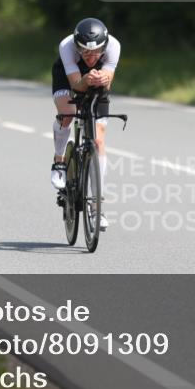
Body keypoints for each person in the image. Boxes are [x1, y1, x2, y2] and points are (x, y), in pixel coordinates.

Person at [50, 18, 121, 230]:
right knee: (68, 114)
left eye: (97, 52)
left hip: (95, 83)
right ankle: (59, 159)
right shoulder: (67, 46)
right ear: (77, 46)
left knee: (99, 140)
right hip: (67, 76)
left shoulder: (114, 46)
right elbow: (76, 85)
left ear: (105, 46)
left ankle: (96, 208)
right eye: (85, 52)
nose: (91, 57)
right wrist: (86, 79)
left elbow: (109, 77)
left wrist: (102, 79)